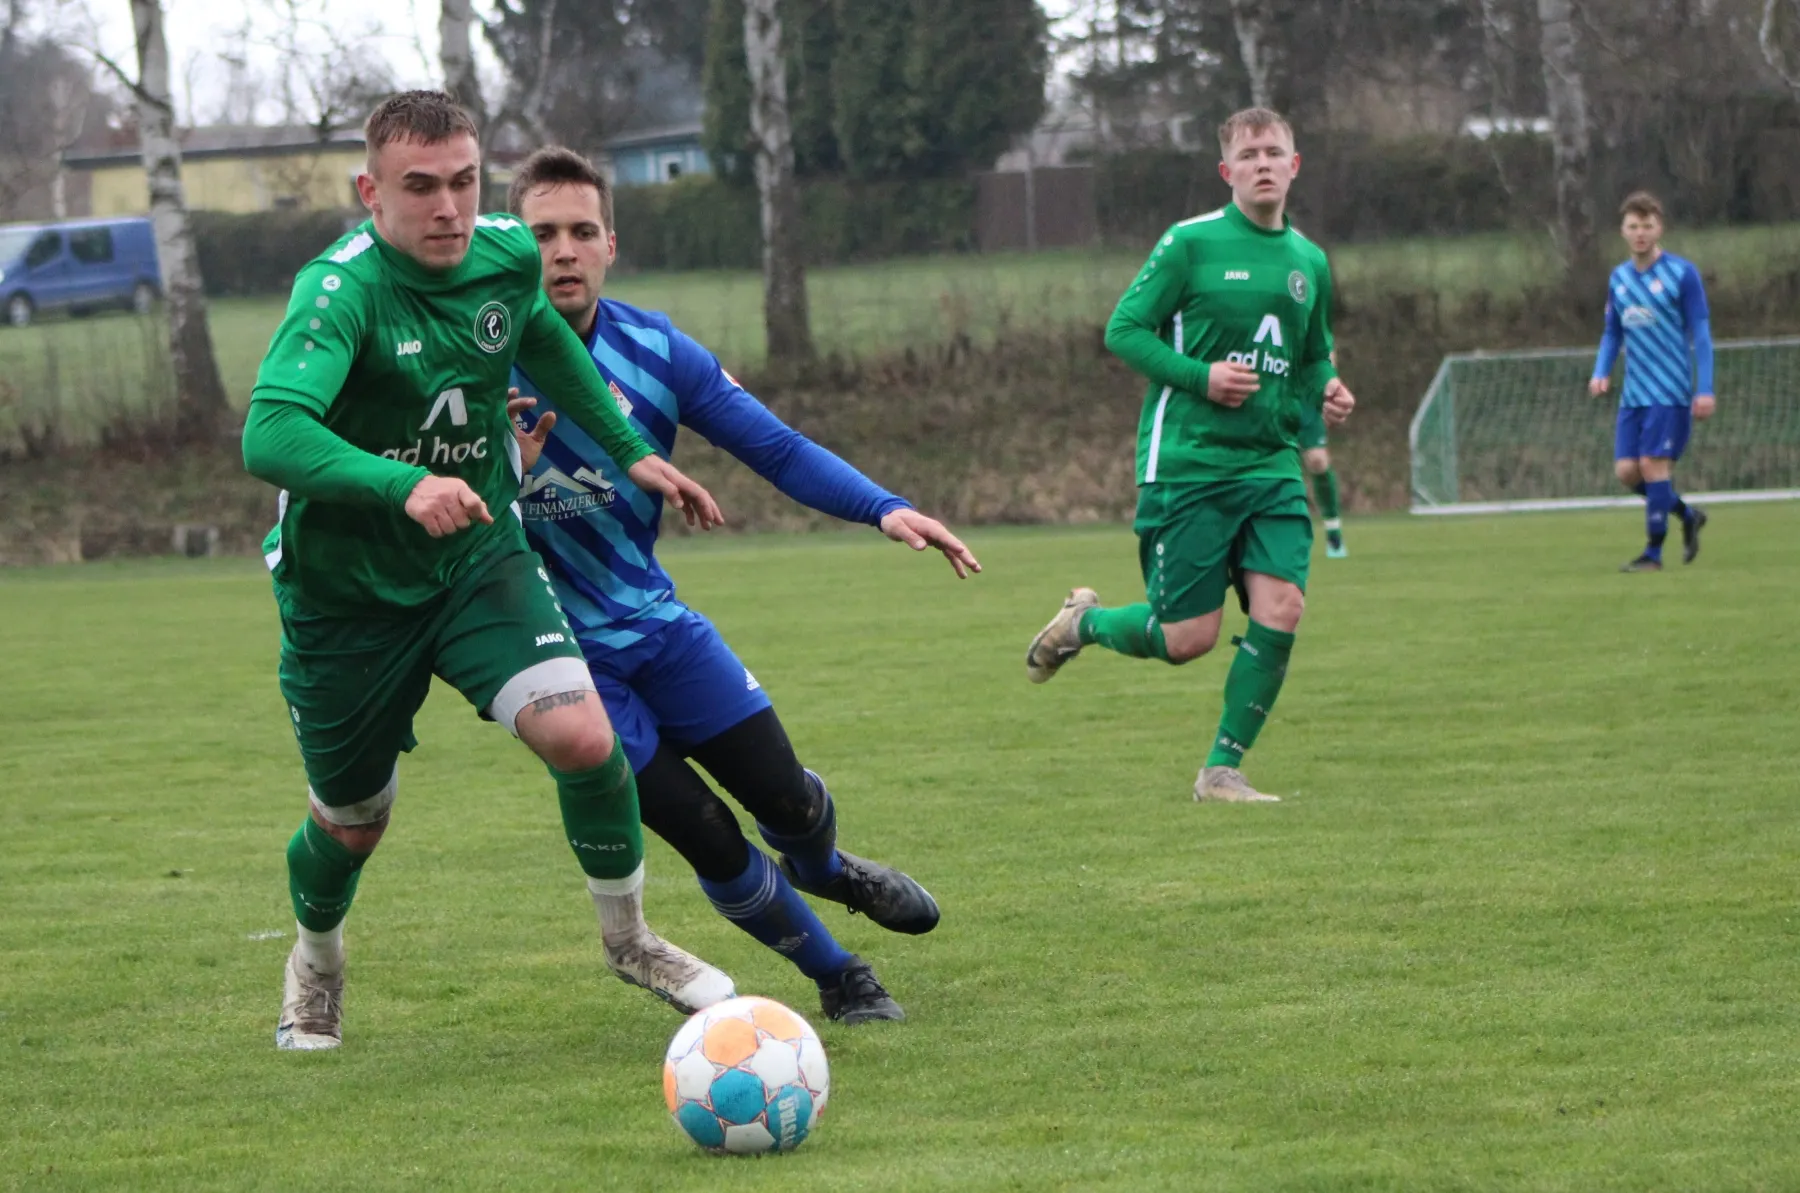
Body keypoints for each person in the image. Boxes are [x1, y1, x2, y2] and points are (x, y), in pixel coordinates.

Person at [242, 92, 733, 1052]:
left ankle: (631, 940)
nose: (449, 209)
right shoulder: (340, 292)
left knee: (583, 737)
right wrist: (403, 485)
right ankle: (317, 962)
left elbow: (537, 334)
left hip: (476, 559)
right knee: (352, 821)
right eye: (420, 187)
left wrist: (628, 447)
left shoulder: (505, 254)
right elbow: (271, 432)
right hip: (347, 595)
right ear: (370, 192)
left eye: (464, 182)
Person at [504, 147, 978, 1024]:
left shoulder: (656, 349)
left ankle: (828, 870)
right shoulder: (473, 370)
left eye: (581, 231)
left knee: (785, 797)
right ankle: (841, 976)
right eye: (541, 234)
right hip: (557, 660)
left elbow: (778, 449)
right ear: (510, 246)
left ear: (611, 245)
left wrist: (884, 508)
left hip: (659, 626)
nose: (562, 250)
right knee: (706, 831)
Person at [1023, 106, 1354, 804]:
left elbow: (1312, 354)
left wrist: (1328, 386)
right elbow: (1124, 330)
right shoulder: (1189, 243)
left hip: (1270, 464)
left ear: (1294, 166)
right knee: (1186, 638)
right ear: (1226, 170)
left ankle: (1221, 770)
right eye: (1249, 155)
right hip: (1189, 463)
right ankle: (1083, 623)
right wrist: (1202, 377)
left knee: (1283, 605)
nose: (1262, 164)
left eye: (1274, 153)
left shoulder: (1310, 261)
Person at [1589, 191, 1715, 571]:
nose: (1640, 233)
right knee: (1627, 472)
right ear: (1623, 231)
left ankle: (1653, 554)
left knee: (1652, 465)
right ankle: (1688, 516)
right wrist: (1601, 371)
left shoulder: (1682, 274)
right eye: (1633, 226)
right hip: (1634, 394)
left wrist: (1705, 388)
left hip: (1670, 390)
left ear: (1660, 228)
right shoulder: (1619, 278)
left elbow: (1701, 334)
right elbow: (1613, 332)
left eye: (1647, 226)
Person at [1299, 391, 1347, 558]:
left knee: (1317, 460)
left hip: (1304, 400)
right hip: (1268, 397)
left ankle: (1333, 530)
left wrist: (1331, 391)